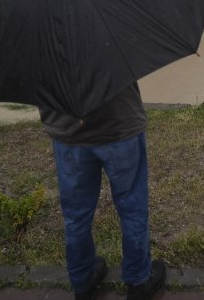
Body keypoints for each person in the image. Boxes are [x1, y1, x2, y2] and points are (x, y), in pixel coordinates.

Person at [40, 82, 166, 300]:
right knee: (132, 208)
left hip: (67, 130)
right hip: (119, 124)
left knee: (76, 215)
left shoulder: (38, 47)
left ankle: (82, 281)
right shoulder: (118, 44)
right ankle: (138, 282)